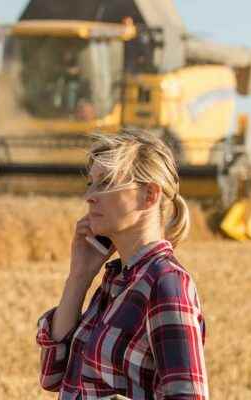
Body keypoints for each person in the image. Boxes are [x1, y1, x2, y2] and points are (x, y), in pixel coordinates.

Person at [36, 129, 208, 399]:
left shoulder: (166, 283)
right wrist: (79, 277)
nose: (89, 196)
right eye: (90, 184)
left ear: (149, 195)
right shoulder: (115, 282)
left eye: (105, 183)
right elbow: (51, 375)